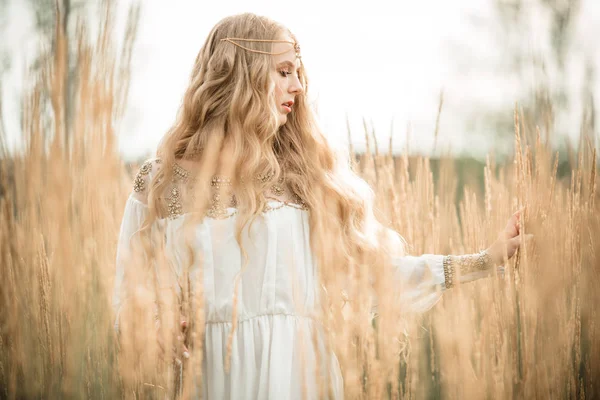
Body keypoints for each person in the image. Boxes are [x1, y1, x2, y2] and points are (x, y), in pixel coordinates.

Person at [113, 13, 525, 399]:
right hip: (212, 380)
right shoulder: (162, 182)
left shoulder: (304, 178)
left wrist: (486, 260)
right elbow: (128, 298)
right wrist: (152, 329)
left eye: (298, 73)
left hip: (303, 378)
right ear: (242, 76)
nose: (298, 86)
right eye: (283, 71)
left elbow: (374, 277)